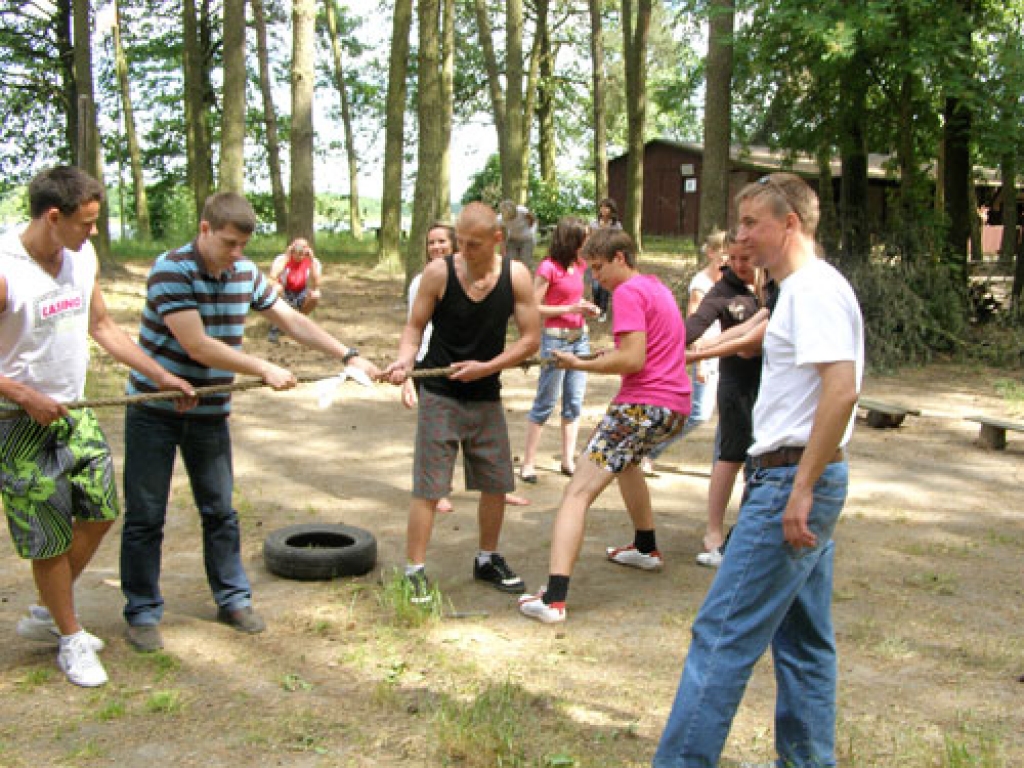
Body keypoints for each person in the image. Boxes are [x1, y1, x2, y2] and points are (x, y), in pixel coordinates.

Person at [653, 173, 864, 768]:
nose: (740, 235)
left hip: (793, 481)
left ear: (789, 224)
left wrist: (801, 489)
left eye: (751, 223)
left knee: (721, 634)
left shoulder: (814, 289)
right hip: (791, 477)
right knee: (803, 642)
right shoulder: (796, 290)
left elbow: (842, 390)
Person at [120, 192, 380, 653]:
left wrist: (347, 354)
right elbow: (197, 345)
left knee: (220, 510)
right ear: (204, 230)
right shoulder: (171, 270)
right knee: (146, 514)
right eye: (229, 243)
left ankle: (232, 599)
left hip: (209, 412)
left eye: (243, 245)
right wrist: (263, 367)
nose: (237, 253)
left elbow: (291, 320)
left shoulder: (243, 272)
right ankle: (142, 610)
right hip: (154, 411)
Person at [0, 166, 196, 687]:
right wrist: (23, 394)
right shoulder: (6, 269)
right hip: (17, 421)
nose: (93, 232)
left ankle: (50, 609)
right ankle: (69, 636)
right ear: (53, 216)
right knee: (47, 537)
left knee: (102, 511)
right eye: (85, 222)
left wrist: (160, 375)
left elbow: (102, 326)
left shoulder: (81, 257)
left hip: (75, 411)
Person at [518, 228, 690, 624]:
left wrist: (581, 363)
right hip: (673, 407)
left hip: (642, 407)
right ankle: (645, 548)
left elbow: (632, 360)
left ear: (620, 258)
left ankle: (554, 599)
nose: (596, 278)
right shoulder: (656, 287)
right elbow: (646, 349)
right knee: (627, 464)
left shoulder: (627, 292)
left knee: (576, 493)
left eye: (598, 268)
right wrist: (605, 354)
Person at [384, 202, 540, 603]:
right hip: (440, 393)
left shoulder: (516, 276)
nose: (464, 251)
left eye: (474, 244)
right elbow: (414, 327)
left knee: (496, 482)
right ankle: (414, 571)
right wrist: (404, 361)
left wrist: (487, 367)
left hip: (485, 394)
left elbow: (530, 340)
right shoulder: (439, 273)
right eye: (461, 242)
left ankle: (487, 559)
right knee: (430, 486)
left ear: (497, 239)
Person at [403, 222, 532, 513]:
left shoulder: (503, 275)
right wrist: (408, 372)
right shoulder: (428, 277)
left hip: (482, 381)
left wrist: (487, 367)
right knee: (436, 459)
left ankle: (492, 491)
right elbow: (414, 328)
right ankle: (438, 491)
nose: (436, 247)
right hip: (431, 366)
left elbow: (522, 320)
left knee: (490, 466)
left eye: (442, 241)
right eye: (431, 242)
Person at [682, 234, 767, 568]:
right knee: (730, 455)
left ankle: (749, 528)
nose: (738, 265)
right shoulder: (723, 290)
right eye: (733, 259)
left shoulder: (774, 284)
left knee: (762, 458)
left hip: (771, 385)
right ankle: (713, 531)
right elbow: (694, 326)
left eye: (745, 258)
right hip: (737, 385)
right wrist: (670, 346)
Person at [518, 217, 599, 483]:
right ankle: (528, 463)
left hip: (580, 338)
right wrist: (569, 309)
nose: (587, 243)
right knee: (546, 401)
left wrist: (586, 308)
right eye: (584, 238)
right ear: (570, 240)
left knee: (574, 401)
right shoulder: (548, 267)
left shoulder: (581, 265)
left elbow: (576, 297)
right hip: (555, 340)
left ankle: (568, 460)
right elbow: (533, 307)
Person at [641, 230, 727, 476]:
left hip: (726, 352)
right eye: (722, 253)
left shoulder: (729, 282)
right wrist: (700, 362)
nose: (726, 258)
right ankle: (649, 449)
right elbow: (693, 323)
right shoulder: (701, 284)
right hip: (706, 354)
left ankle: (720, 468)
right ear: (711, 253)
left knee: (726, 417)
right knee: (699, 414)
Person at [266, 237, 322, 342]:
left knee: (316, 295)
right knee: (276, 288)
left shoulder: (313, 262)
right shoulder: (281, 259)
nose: (300, 252)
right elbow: (272, 277)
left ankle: (298, 321)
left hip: (301, 292)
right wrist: (287, 258)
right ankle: (277, 324)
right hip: (284, 291)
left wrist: (311, 261)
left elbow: (316, 285)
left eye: (303, 248)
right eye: (297, 248)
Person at [588, 198, 621, 321]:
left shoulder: (616, 225)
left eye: (606, 207)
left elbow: (617, 241)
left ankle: (603, 310)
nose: (603, 209)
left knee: (605, 285)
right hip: (595, 257)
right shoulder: (594, 223)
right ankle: (597, 307)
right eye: (601, 207)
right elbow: (590, 239)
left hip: (608, 257)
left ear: (611, 210)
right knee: (595, 286)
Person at [498, 199, 537, 270]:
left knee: (525, 261)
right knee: (511, 260)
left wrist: (530, 232)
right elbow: (502, 235)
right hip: (512, 239)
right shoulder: (500, 219)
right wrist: (502, 249)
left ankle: (525, 274)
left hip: (527, 239)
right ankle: (513, 275)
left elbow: (532, 219)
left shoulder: (522, 210)